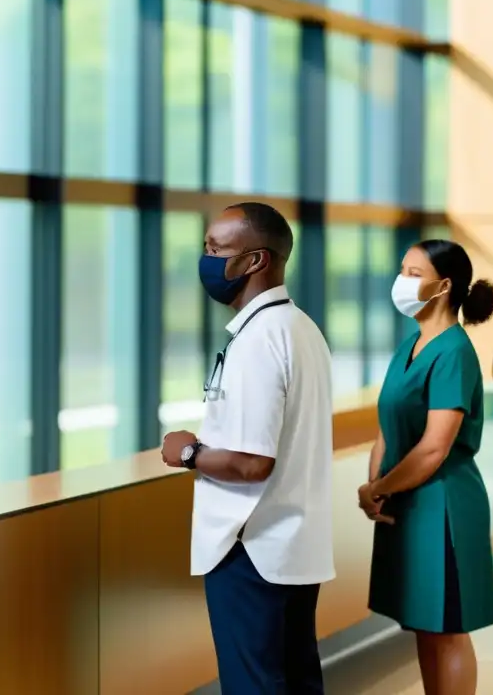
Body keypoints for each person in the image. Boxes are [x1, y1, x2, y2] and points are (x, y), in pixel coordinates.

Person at [160, 202, 334, 694]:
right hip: (289, 544)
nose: (207, 259)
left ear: (256, 260)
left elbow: (252, 462)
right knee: (296, 678)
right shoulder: (300, 329)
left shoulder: (262, 339)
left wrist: (188, 453)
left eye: (217, 249)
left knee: (254, 685)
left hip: (250, 547)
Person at [358, 239, 493, 695]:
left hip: (443, 506)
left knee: (447, 628)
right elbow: (387, 427)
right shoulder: (411, 346)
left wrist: (381, 487)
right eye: (403, 269)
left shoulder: (454, 352)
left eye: (414, 273)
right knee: (424, 624)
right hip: (406, 502)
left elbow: (433, 449)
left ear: (444, 286)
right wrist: (374, 485)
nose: (402, 281)